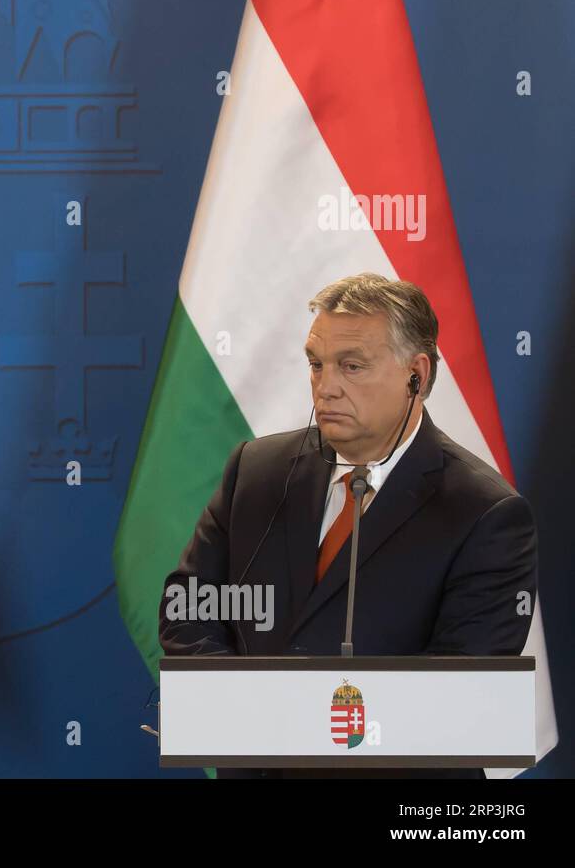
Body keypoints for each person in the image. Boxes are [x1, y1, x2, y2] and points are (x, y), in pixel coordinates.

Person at [159, 272, 537, 778]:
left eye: (351, 366)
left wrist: (284, 717)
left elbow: (460, 695)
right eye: (316, 364)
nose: (326, 387)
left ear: (416, 375)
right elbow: (189, 609)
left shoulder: (486, 513)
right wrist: (240, 713)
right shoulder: (256, 470)